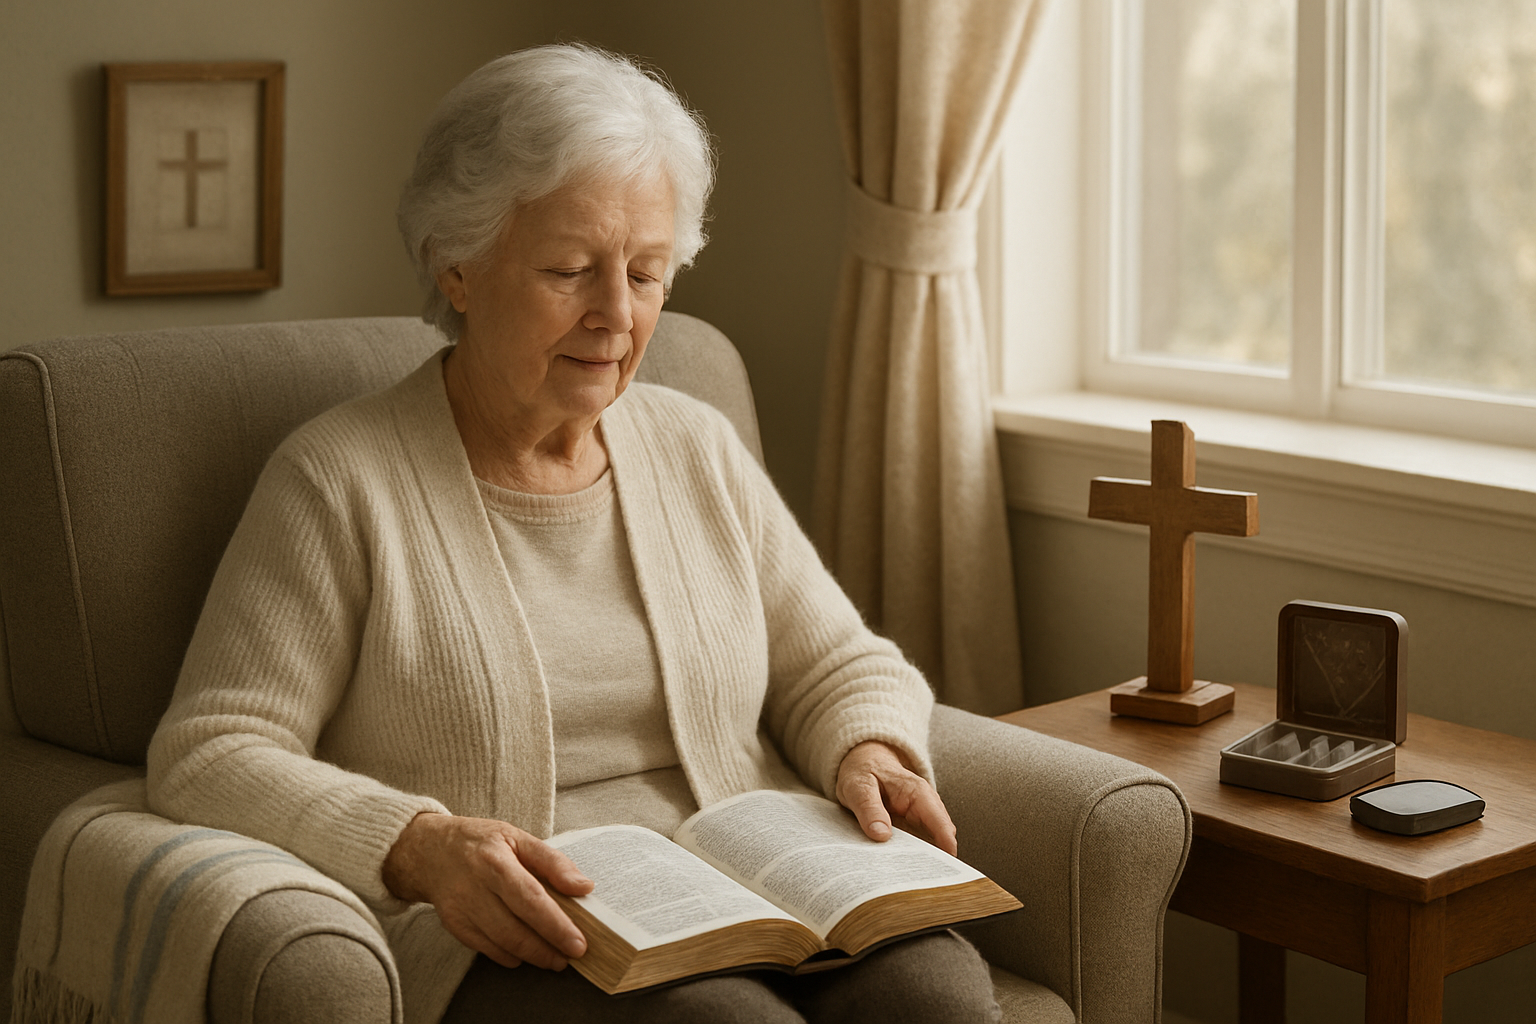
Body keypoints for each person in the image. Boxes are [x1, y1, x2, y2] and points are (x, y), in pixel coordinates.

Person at [147, 43, 1000, 1024]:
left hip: (748, 893)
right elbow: (210, 749)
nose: (616, 315)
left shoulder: (697, 445)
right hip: (520, 930)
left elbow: (835, 662)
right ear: (456, 266)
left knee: (941, 994)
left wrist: (867, 749)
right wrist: (418, 843)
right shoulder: (339, 480)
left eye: (645, 272)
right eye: (569, 269)